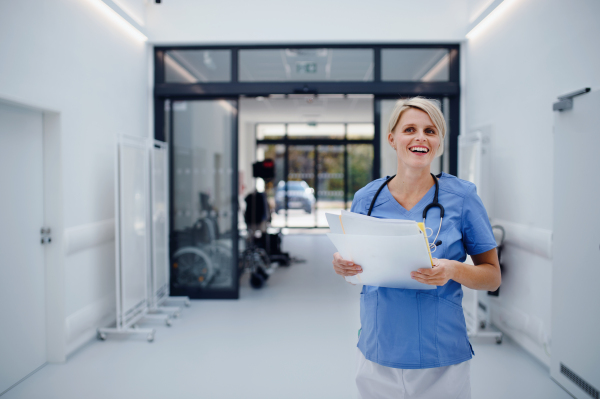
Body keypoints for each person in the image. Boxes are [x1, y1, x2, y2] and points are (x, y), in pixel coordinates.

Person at [332, 97, 501, 399]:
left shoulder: (462, 197)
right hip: (378, 348)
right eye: (410, 129)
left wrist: (453, 269)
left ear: (439, 142)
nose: (421, 137)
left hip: (440, 354)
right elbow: (354, 265)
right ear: (392, 139)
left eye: (431, 130)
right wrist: (343, 264)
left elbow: (492, 277)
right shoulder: (366, 199)